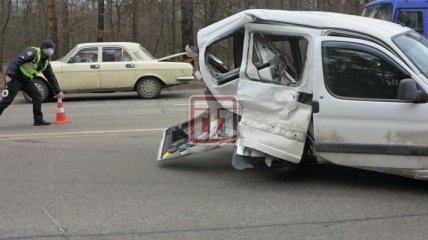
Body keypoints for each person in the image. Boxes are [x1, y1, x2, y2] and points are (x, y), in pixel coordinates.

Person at [0, 39, 64, 126]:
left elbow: (51, 77)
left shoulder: (45, 63)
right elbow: (17, 61)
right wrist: (9, 74)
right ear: (44, 48)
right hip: (16, 78)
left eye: (52, 49)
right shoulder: (33, 52)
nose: (51, 51)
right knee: (7, 100)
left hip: (26, 81)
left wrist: (58, 91)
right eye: (50, 49)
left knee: (37, 96)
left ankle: (38, 120)